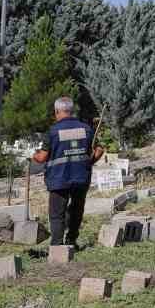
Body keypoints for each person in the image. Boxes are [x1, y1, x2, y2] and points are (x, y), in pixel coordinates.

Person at [32, 96, 104, 248]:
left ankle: (57, 246)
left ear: (57, 111)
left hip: (59, 179)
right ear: (71, 111)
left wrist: (34, 156)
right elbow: (99, 150)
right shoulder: (86, 129)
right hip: (81, 177)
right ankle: (71, 241)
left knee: (57, 214)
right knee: (76, 210)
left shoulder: (53, 131)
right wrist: (88, 162)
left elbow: (43, 157)